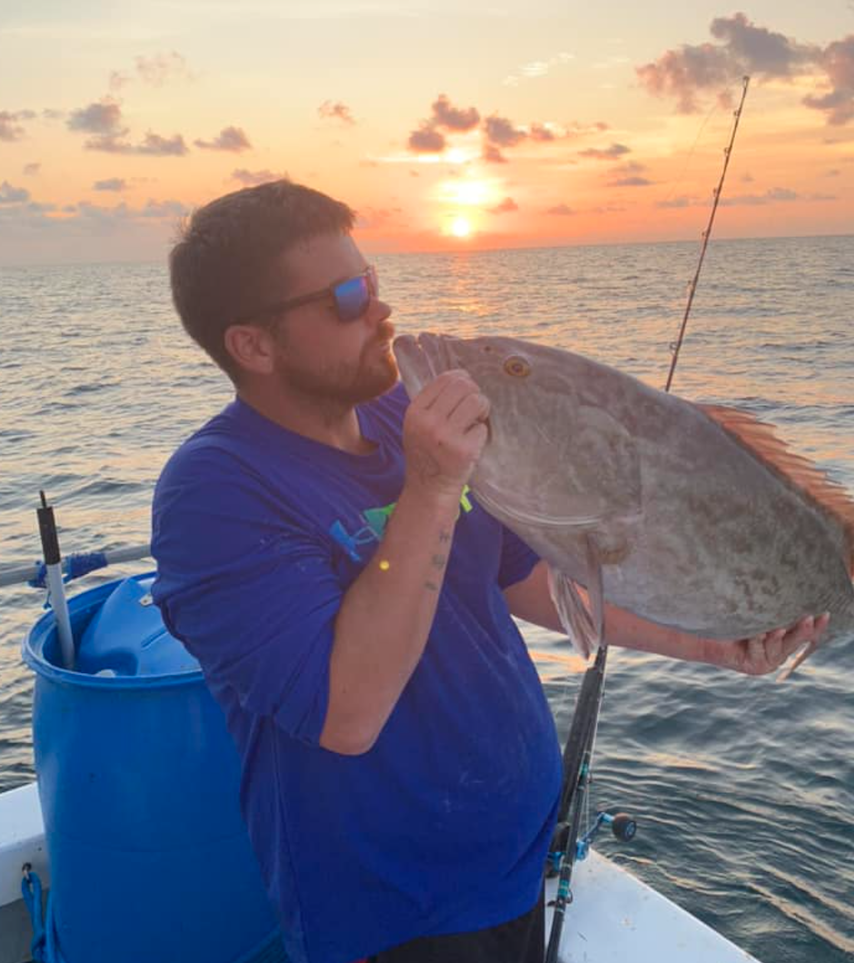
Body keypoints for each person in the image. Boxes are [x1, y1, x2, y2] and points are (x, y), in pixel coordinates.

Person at [151, 179, 828, 963]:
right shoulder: (214, 492)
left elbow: (523, 579)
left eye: (372, 281)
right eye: (345, 296)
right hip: (398, 914)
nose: (380, 309)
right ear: (254, 346)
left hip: (515, 868)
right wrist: (432, 487)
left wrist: (712, 644)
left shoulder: (396, 419)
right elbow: (347, 711)